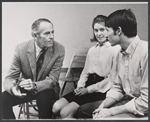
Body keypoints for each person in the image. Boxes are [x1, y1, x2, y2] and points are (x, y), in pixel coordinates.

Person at [77, 9, 148, 119]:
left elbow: (145, 102)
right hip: (127, 99)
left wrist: (111, 112)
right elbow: (117, 88)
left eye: (107, 30)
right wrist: (103, 106)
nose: (105, 35)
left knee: (103, 118)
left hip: (142, 107)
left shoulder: (145, 52)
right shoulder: (120, 53)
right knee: (84, 111)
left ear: (118, 30)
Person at [52, 15, 120, 119]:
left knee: (65, 112)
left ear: (108, 30)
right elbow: (85, 72)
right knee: (55, 107)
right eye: (96, 30)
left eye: (102, 30)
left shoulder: (115, 49)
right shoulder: (92, 50)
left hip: (101, 90)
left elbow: (111, 79)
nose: (99, 33)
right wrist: (80, 86)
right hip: (86, 86)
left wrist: (88, 90)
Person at [2, 18, 65, 119]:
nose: (52, 37)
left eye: (52, 32)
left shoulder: (59, 49)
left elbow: (52, 79)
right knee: (2, 99)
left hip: (47, 87)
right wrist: (13, 89)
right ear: (35, 35)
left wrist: (34, 85)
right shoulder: (20, 49)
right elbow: (10, 77)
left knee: (45, 99)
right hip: (27, 87)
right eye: (47, 33)